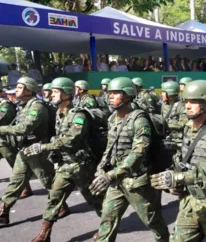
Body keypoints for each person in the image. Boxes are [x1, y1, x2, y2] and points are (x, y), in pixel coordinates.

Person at [151, 80, 206, 242]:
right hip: (189, 201)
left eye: (194, 102)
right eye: (186, 102)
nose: (187, 106)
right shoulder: (187, 127)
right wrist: (173, 179)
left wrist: (181, 177)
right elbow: (182, 161)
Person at [89, 77, 169, 242]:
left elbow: (138, 153)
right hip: (117, 181)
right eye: (109, 93)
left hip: (136, 182)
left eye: (115, 93)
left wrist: (111, 175)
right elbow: (110, 146)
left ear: (127, 95)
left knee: (153, 221)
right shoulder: (113, 119)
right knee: (107, 220)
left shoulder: (140, 120)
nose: (110, 97)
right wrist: (102, 165)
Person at [25, 77, 104, 242]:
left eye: (55, 91)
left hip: (81, 165)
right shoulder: (59, 114)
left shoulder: (78, 115)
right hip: (65, 165)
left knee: (94, 199)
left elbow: (71, 139)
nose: (51, 95)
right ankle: (44, 234)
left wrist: (44, 147)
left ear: (66, 94)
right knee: (54, 197)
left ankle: (106, 228)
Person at [0, 77, 69, 226]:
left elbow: (25, 128)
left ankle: (61, 206)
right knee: (15, 181)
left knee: (48, 181)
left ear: (28, 90)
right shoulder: (23, 105)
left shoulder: (37, 107)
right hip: (25, 149)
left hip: (37, 149)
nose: (16, 91)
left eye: (19, 88)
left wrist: (2, 129)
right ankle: (3, 213)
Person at [161, 81, 188, 147]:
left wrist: (167, 124)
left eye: (163, 92)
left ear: (169, 94)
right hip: (166, 139)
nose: (161, 94)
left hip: (177, 142)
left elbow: (184, 123)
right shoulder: (164, 105)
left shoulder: (181, 106)